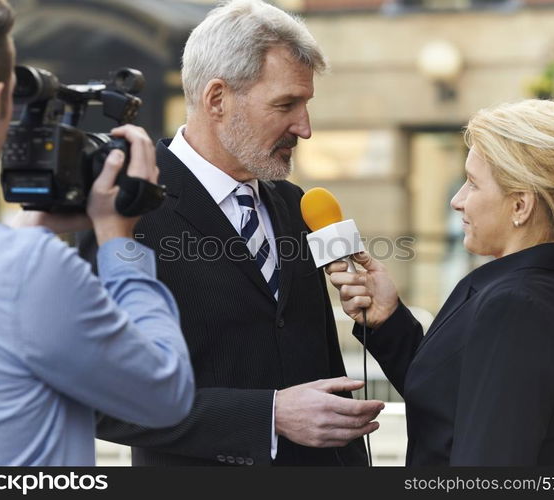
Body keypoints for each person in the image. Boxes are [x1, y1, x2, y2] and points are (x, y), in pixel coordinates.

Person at [84, 0, 383, 466]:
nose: (304, 128)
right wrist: (268, 415)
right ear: (217, 99)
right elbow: (98, 395)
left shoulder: (293, 203)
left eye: (306, 105)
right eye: (286, 104)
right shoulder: (122, 208)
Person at [0, 0, 194, 466]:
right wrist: (119, 241)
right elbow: (166, 392)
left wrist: (28, 229)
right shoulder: (26, 269)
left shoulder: (15, 258)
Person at [326, 99, 554, 466]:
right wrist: (389, 319)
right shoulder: (539, 288)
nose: (457, 200)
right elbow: (453, 400)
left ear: (520, 206)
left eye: (473, 184)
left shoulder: (518, 306)